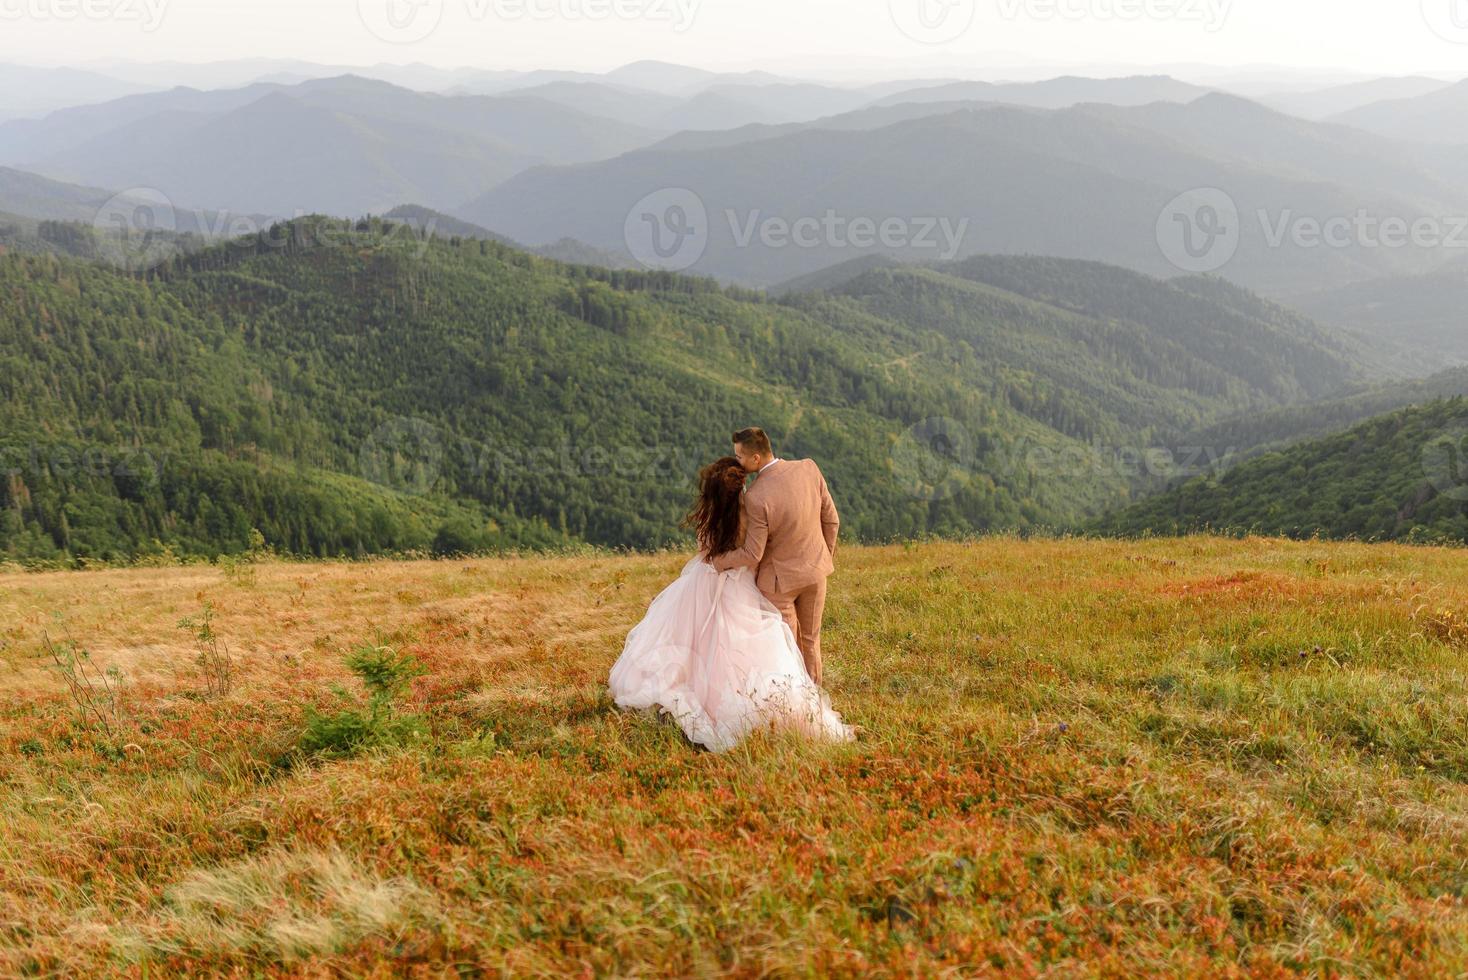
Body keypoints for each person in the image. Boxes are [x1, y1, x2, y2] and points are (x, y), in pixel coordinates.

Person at [608, 452, 852, 753]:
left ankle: (703, 695)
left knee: (697, 642)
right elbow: (754, 554)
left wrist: (719, 562)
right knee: (762, 645)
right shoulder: (750, 511)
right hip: (745, 587)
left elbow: (705, 551)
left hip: (705, 583)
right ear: (740, 488)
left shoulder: (709, 519)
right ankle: (804, 696)